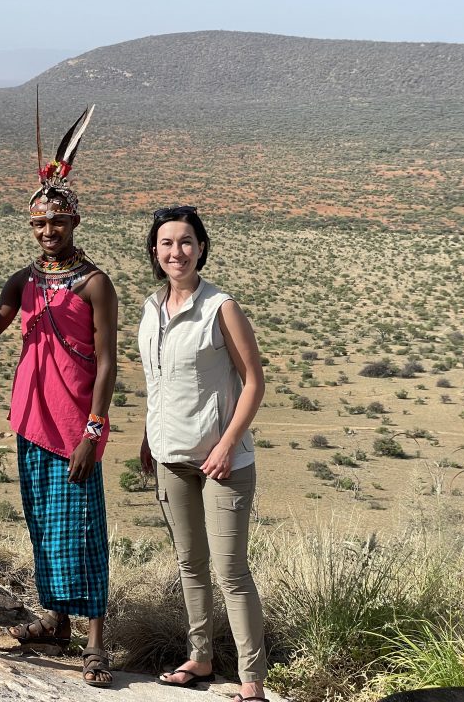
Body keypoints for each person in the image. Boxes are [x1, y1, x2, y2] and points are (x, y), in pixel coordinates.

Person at [0, 107, 118, 688]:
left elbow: (107, 363)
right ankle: (56, 623)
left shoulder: (95, 283)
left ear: (74, 221)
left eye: (57, 221)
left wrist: (94, 433)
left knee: (84, 530)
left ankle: (96, 642)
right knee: (43, 525)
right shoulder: (24, 280)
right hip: (31, 422)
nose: (47, 231)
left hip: (75, 428)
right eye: (38, 224)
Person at [137, 206, 267, 702]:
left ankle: (252, 683)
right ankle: (201, 656)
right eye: (167, 243)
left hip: (223, 462)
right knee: (190, 563)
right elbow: (159, 385)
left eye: (186, 242)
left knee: (231, 571)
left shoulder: (221, 307)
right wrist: (150, 438)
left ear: (202, 247)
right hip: (171, 456)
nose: (177, 252)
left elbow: (254, 381)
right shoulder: (151, 307)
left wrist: (229, 443)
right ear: (155, 251)